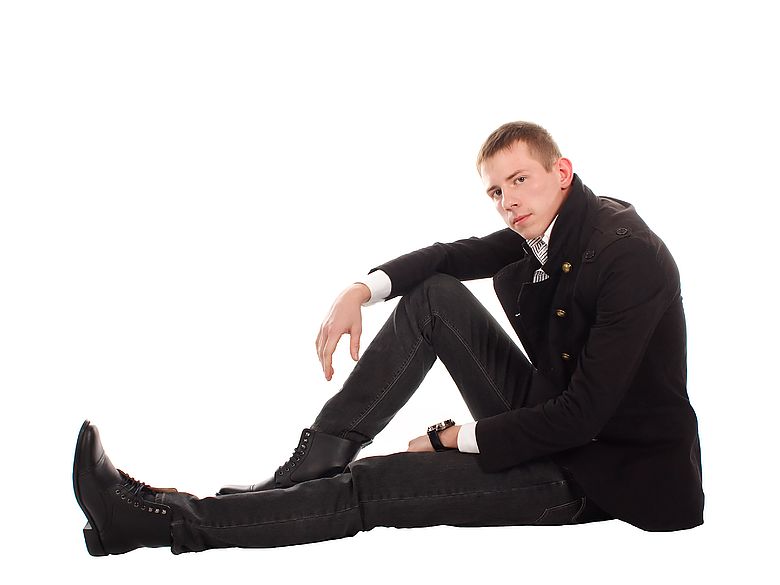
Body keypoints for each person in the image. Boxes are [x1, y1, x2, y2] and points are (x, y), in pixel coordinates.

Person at [72, 121, 704, 556]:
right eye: (494, 191)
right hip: (547, 420)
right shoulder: (545, 228)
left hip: (600, 472)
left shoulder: (629, 256)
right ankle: (307, 465)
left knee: (376, 486)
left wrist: (454, 439)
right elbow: (450, 257)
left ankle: (161, 523)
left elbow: (585, 417)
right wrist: (360, 290)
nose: (507, 203)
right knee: (433, 298)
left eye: (519, 181)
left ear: (561, 172)